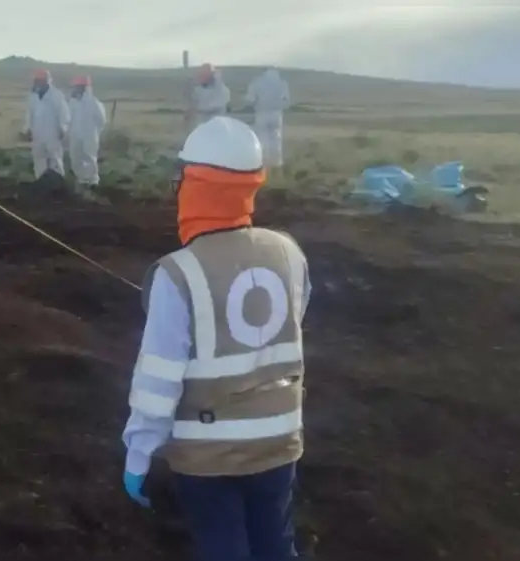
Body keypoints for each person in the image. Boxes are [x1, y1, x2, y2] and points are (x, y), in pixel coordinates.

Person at [121, 115, 311, 561]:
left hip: (208, 457)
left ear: (195, 185)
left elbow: (158, 379)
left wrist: (138, 453)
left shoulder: (177, 273)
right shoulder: (289, 253)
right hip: (279, 442)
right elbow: (289, 324)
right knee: (276, 547)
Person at [21, 69, 70, 180]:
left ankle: (58, 183)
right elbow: (29, 114)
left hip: (53, 133)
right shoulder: (33, 97)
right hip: (37, 134)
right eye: (36, 81)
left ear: (46, 81)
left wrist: (63, 128)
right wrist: (27, 129)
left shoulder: (57, 96)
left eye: (40, 81)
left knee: (55, 159)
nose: (37, 83)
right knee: (39, 160)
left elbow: (64, 114)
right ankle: (41, 183)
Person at [245, 68, 291, 170]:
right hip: (277, 114)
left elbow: (250, 98)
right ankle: (276, 164)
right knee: (276, 139)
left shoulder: (258, 82)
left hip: (262, 113)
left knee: (262, 138)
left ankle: (263, 163)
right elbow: (287, 100)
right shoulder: (282, 83)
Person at [67, 75, 107, 188]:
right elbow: (68, 118)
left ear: (84, 87)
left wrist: (95, 131)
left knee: (90, 157)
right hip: (75, 134)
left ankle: (93, 181)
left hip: (90, 135)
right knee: (75, 156)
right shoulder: (72, 103)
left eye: (77, 87)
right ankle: (82, 179)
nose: (74, 89)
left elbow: (102, 120)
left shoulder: (94, 103)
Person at [190, 63, 231, 128]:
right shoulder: (198, 89)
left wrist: (199, 109)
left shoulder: (221, 89)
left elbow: (213, 105)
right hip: (202, 125)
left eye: (204, 74)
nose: (201, 77)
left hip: (217, 124)